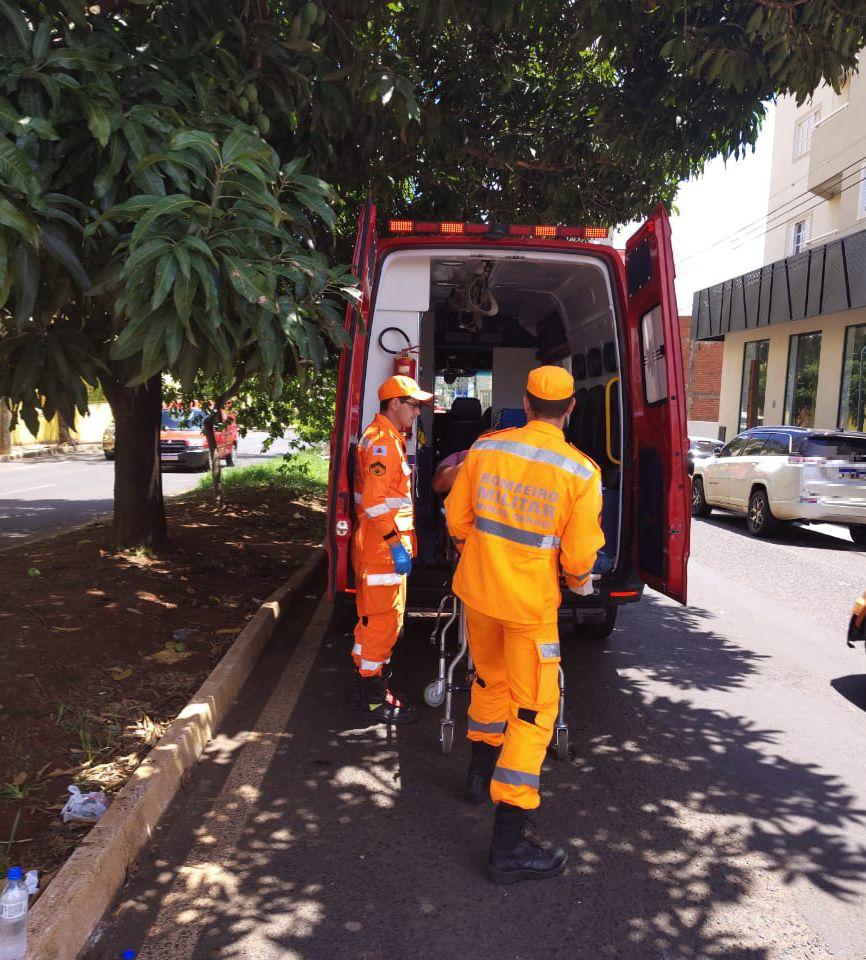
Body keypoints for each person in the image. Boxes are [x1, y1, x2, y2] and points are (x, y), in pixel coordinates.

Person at [445, 365, 604, 884]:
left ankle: (476, 776)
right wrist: (580, 582)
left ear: (526, 402)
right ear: (570, 409)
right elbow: (580, 557)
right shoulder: (580, 472)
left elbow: (456, 520)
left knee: (488, 680)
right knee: (535, 712)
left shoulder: (487, 448)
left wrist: (481, 554)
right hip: (529, 607)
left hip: (479, 595)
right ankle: (507, 848)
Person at [351, 374, 433, 724]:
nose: (417, 411)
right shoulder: (382, 442)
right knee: (381, 623)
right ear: (394, 404)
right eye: (412, 405)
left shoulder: (389, 438)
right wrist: (395, 545)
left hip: (383, 548)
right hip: (381, 549)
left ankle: (375, 683)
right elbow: (374, 503)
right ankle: (371, 698)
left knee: (383, 620)